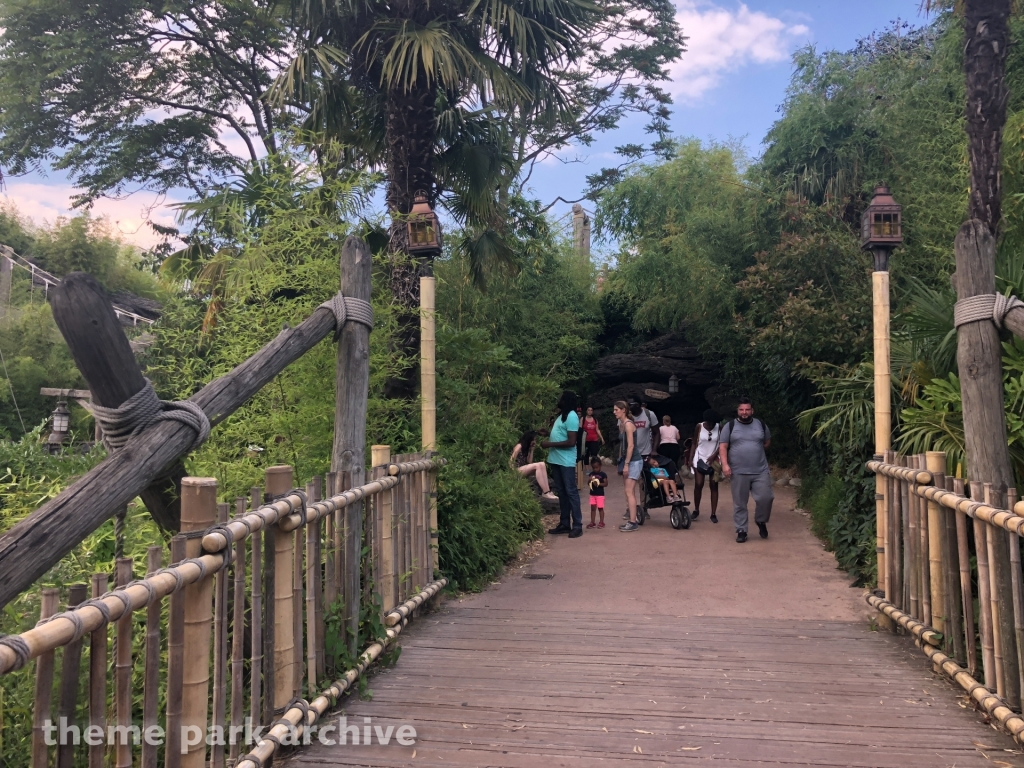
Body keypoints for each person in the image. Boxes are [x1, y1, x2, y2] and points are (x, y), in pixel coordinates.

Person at [719, 397, 773, 543]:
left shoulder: (761, 425)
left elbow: (767, 442)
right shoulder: (729, 426)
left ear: (752, 411)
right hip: (738, 471)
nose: (744, 412)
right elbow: (723, 447)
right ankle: (741, 530)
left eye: (747, 409)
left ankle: (761, 521)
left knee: (766, 498)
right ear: (738, 411)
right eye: (741, 410)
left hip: (760, 470)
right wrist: (725, 465)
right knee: (740, 503)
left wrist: (753, 450)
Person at [543, 391, 584, 538]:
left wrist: (549, 444)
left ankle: (577, 525)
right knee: (562, 492)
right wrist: (547, 433)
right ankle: (565, 523)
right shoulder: (562, 416)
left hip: (565, 461)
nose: (558, 399)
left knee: (571, 491)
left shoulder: (572, 416)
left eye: (561, 397)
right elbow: (561, 434)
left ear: (566, 400)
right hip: (556, 459)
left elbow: (571, 442)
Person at [688, 409, 722, 523]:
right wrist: (690, 458)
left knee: (714, 485)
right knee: (699, 484)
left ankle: (713, 513)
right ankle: (696, 510)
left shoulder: (719, 427)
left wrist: (715, 455)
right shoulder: (699, 426)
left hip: (714, 459)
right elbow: (694, 443)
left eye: (713, 423)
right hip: (700, 457)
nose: (711, 425)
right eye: (709, 422)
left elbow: (722, 444)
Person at [614, 400, 642, 532]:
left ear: (623, 410)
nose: (614, 412)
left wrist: (626, 464)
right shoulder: (622, 424)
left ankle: (632, 521)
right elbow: (623, 445)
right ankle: (633, 518)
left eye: (616, 410)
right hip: (627, 460)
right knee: (628, 491)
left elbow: (631, 446)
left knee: (629, 491)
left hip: (634, 461)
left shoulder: (629, 425)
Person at [510, 431, 557, 501]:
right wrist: (512, 472)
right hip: (516, 470)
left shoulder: (526, 448)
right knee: (538, 465)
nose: (534, 442)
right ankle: (546, 492)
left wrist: (531, 450)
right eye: (534, 440)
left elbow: (529, 462)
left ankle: (548, 491)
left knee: (542, 464)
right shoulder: (519, 446)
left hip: (522, 468)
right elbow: (511, 460)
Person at [586, 457, 608, 529]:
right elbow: (588, 484)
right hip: (592, 494)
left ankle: (602, 522)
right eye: (593, 468)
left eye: (596, 467)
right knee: (592, 509)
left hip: (600, 495)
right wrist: (589, 480)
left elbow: (606, 484)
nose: (595, 469)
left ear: (600, 466)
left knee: (600, 508)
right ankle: (592, 522)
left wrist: (598, 484)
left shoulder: (603, 474)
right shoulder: (592, 474)